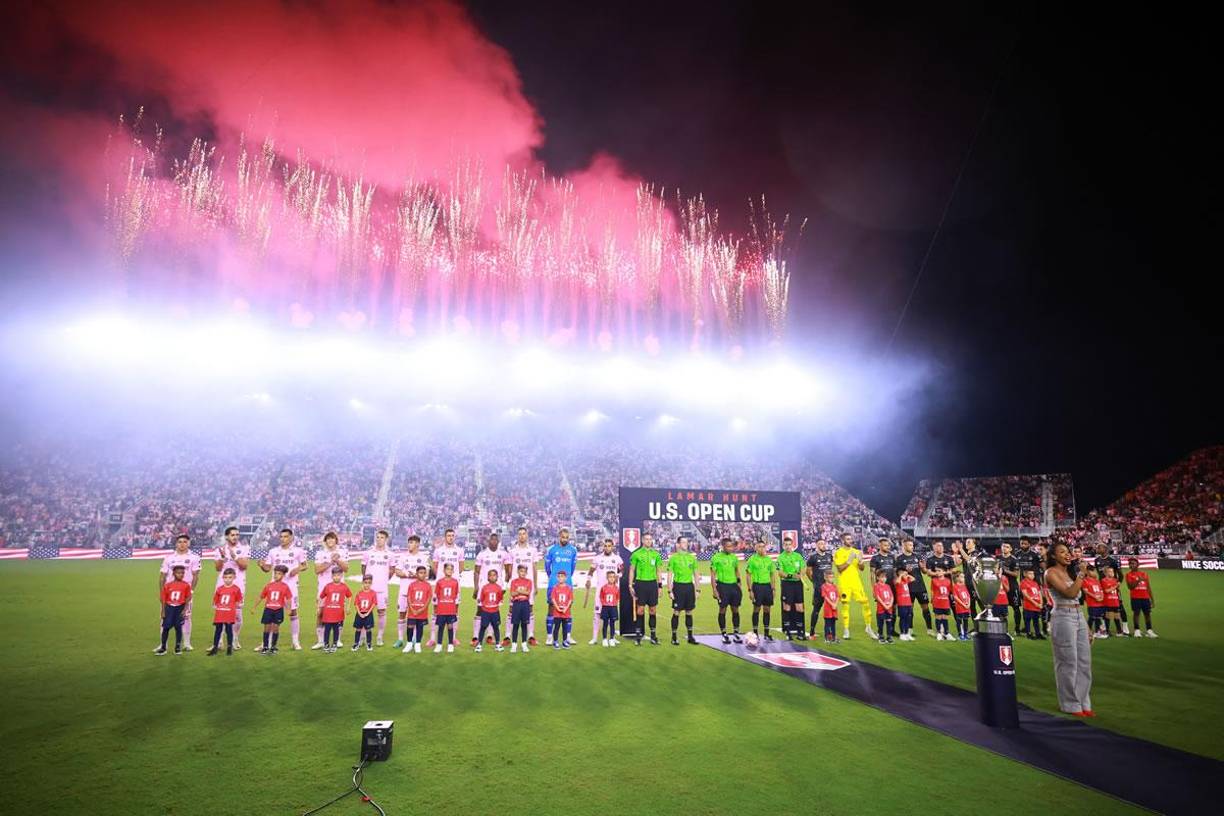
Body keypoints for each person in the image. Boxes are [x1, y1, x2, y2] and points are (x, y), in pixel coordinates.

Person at [1045, 542, 1094, 717]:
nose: (1067, 555)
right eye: (1062, 552)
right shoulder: (1050, 573)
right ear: (1053, 556)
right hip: (1063, 616)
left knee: (1084, 662)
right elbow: (1070, 593)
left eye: (1068, 552)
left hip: (1078, 615)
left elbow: (1077, 601)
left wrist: (1086, 627)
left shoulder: (1070, 573)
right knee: (1068, 662)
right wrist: (1081, 573)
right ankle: (1070, 704)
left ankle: (1083, 701)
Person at [260, 528, 308, 650]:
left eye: (286, 537)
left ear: (291, 538)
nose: (283, 539)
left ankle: (295, 641)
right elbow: (267, 569)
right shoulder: (273, 551)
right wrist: (262, 566)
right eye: (281, 537)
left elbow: (305, 565)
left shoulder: (298, 551)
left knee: (292, 612)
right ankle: (266, 642)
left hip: (291, 586)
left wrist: (296, 570)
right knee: (271, 613)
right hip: (275, 587)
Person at [157, 534, 201, 652]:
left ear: (189, 543)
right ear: (176, 543)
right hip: (170, 593)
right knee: (164, 617)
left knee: (186, 616)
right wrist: (162, 592)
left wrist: (191, 590)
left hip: (185, 593)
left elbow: (196, 575)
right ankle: (163, 644)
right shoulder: (169, 558)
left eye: (185, 542)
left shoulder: (194, 557)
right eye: (180, 542)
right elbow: (162, 576)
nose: (182, 544)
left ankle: (186, 643)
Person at [213, 526, 249, 649]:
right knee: (221, 612)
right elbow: (218, 568)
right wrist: (222, 558)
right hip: (222, 586)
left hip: (238, 585)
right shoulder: (220, 549)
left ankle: (234, 638)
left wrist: (234, 557)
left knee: (238, 613)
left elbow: (244, 566)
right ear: (227, 536)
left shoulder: (244, 549)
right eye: (232, 535)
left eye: (237, 535)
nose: (235, 537)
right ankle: (220, 641)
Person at [833, 533, 875, 640]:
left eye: (851, 538)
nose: (850, 540)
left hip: (856, 582)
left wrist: (860, 561)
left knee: (865, 602)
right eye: (848, 539)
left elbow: (861, 568)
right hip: (844, 583)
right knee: (845, 605)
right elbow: (840, 569)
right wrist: (848, 561)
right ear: (843, 540)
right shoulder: (838, 552)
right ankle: (846, 630)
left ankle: (868, 627)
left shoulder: (857, 551)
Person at [312, 531, 349, 650]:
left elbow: (346, 568)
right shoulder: (320, 553)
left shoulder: (342, 552)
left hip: (339, 588)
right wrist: (330, 562)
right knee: (320, 613)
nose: (330, 541)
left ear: (336, 540)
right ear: (325, 541)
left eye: (332, 539)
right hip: (323, 587)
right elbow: (317, 570)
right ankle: (320, 641)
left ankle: (337, 640)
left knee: (339, 612)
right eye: (328, 539)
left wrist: (337, 560)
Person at [472, 533, 512, 645]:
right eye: (491, 539)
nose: (493, 541)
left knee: (494, 610)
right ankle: (475, 637)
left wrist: (504, 585)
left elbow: (509, 571)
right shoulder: (482, 554)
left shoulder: (503, 554)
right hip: (483, 587)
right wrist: (476, 587)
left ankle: (490, 636)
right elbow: (476, 571)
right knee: (480, 610)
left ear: (498, 541)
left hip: (497, 588)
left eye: (496, 540)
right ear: (488, 541)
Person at [359, 530, 395, 647]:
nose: (379, 539)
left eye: (382, 537)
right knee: (364, 612)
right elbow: (363, 568)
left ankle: (379, 637)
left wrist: (383, 579)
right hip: (368, 589)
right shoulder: (368, 553)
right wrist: (367, 583)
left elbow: (392, 570)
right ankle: (363, 637)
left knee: (381, 612)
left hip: (382, 589)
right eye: (378, 537)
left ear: (386, 539)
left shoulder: (390, 554)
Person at [393, 535, 430, 649]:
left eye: (412, 543)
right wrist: (406, 574)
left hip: (418, 592)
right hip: (404, 590)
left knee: (416, 614)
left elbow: (427, 574)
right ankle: (400, 639)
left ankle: (414, 639)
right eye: (409, 543)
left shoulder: (423, 558)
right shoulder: (403, 557)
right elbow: (397, 571)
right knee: (402, 613)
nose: (409, 545)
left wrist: (416, 575)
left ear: (418, 544)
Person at [628, 532, 664, 645]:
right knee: (640, 610)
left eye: (650, 539)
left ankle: (653, 636)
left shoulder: (656, 554)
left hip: (652, 584)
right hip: (640, 584)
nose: (649, 541)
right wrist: (630, 585)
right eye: (646, 539)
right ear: (642, 541)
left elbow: (659, 571)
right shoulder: (636, 554)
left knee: (653, 610)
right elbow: (632, 570)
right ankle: (638, 637)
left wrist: (660, 586)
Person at [544, 528, 577, 645]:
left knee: (567, 609)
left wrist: (566, 579)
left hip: (567, 584)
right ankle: (549, 636)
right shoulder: (552, 550)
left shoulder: (573, 550)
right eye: (563, 537)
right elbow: (547, 567)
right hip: (553, 584)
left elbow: (572, 568)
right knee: (551, 609)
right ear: (559, 537)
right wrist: (553, 577)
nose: (565, 539)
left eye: (567, 537)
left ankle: (567, 636)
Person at [587, 538, 624, 645]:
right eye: (605, 545)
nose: (607, 547)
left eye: (609, 546)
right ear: (603, 546)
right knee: (597, 614)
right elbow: (591, 570)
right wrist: (588, 579)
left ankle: (612, 637)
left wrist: (618, 576)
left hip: (613, 592)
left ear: (612, 547)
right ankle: (594, 638)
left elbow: (622, 569)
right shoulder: (598, 558)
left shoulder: (617, 558)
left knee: (612, 615)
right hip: (600, 591)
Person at [509, 527, 541, 645]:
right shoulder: (512, 551)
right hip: (515, 585)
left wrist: (536, 585)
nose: (522, 536)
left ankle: (530, 636)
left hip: (529, 585)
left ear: (527, 535)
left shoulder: (532, 550)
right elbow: (510, 568)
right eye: (520, 534)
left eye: (524, 534)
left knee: (530, 609)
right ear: (517, 536)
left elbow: (534, 568)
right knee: (511, 609)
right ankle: (508, 636)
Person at [894, 539, 932, 636]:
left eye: (912, 545)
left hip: (920, 586)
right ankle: (910, 629)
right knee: (909, 609)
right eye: (910, 545)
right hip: (908, 588)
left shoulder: (917, 556)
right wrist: (905, 571)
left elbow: (924, 572)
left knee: (926, 608)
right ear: (904, 546)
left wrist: (923, 567)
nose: (912, 547)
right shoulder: (899, 559)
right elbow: (897, 573)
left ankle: (930, 629)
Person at [665, 536, 699, 645]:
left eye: (687, 542)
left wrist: (697, 589)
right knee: (676, 612)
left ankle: (690, 637)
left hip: (689, 587)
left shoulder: (692, 558)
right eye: (683, 542)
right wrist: (670, 591)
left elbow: (696, 574)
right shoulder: (674, 558)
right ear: (678, 544)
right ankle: (674, 637)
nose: (686, 544)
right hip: (678, 587)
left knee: (689, 611)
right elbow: (670, 575)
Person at [710, 537, 744, 644]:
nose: (731, 548)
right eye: (728, 546)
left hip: (734, 587)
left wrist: (739, 584)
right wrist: (714, 590)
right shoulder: (716, 558)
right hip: (722, 586)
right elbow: (712, 575)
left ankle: (736, 633)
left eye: (732, 546)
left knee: (735, 610)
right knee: (722, 610)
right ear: (723, 546)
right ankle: (724, 634)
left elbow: (737, 571)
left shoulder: (734, 557)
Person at [253, 564, 292, 655]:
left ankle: (273, 647)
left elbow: (289, 598)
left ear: (283, 575)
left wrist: (288, 609)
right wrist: (254, 607)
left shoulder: (285, 586)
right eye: (275, 573)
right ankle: (265, 647)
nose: (276, 575)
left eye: (279, 573)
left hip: (278, 610)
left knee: (275, 629)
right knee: (266, 628)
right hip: (268, 609)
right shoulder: (269, 585)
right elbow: (261, 596)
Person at [155, 564, 192, 655]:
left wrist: (184, 609)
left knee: (178, 628)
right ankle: (163, 647)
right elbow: (163, 599)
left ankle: (177, 647)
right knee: (166, 628)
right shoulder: (168, 585)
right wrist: (163, 610)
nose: (181, 575)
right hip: (169, 608)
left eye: (182, 573)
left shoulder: (186, 585)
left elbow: (188, 598)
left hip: (179, 608)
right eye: (178, 573)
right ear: (174, 573)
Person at [745, 540, 778, 641]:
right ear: (756, 548)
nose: (762, 548)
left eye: (763, 546)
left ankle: (766, 634)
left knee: (767, 609)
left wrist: (773, 588)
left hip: (767, 587)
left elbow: (772, 574)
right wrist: (750, 590)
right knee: (757, 609)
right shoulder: (752, 560)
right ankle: (755, 633)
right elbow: (748, 575)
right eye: (759, 546)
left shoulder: (769, 560)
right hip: (757, 587)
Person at [1095, 543, 1130, 634]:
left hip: (1113, 588)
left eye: (1099, 547)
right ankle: (1105, 628)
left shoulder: (1113, 560)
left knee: (1119, 606)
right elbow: (1099, 575)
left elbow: (1120, 574)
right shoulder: (1097, 560)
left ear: (1105, 549)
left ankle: (1125, 627)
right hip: (1102, 587)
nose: (1097, 548)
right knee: (1103, 607)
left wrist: (1118, 583)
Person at [776, 535, 806, 641]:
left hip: (798, 584)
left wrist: (800, 574)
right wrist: (792, 576)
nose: (788, 546)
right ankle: (788, 632)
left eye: (790, 544)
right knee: (787, 607)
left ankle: (800, 631)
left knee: (800, 607)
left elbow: (803, 568)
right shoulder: (781, 557)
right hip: (787, 584)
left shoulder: (797, 556)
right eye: (786, 545)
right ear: (783, 546)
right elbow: (780, 573)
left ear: (792, 545)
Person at [208, 567, 242, 656]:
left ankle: (229, 648)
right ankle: (215, 648)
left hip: (229, 613)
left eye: (230, 577)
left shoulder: (236, 589)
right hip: (220, 613)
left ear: (234, 577)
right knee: (218, 630)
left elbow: (239, 601)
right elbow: (215, 600)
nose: (227, 580)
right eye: (226, 577)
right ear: (223, 578)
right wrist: (216, 606)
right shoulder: (219, 589)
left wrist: (234, 607)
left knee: (229, 630)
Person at [804, 538, 834, 638]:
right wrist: (814, 582)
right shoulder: (813, 557)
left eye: (824, 544)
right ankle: (812, 632)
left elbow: (830, 570)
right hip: (819, 588)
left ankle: (829, 632)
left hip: (829, 588)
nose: (823, 545)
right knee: (816, 609)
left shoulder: (829, 556)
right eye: (820, 544)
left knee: (830, 609)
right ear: (817, 546)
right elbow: (808, 572)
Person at [318, 566, 352, 653]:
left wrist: (348, 607)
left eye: (338, 575)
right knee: (327, 630)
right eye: (334, 575)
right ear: (332, 576)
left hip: (338, 613)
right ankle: (326, 645)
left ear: (341, 576)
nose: (336, 577)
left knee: (336, 630)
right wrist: (318, 608)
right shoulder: (328, 586)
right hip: (328, 613)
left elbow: (350, 596)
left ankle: (334, 644)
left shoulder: (344, 587)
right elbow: (321, 597)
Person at [869, 538, 897, 638]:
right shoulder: (875, 558)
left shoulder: (892, 557)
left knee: (893, 608)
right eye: (885, 545)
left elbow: (894, 572)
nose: (887, 547)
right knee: (881, 608)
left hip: (891, 587)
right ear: (880, 546)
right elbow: (872, 574)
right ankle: (880, 630)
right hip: (880, 588)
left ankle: (891, 630)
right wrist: (873, 588)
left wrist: (896, 583)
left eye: (888, 545)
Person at [402, 566, 432, 654]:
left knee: (420, 627)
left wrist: (421, 609)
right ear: (417, 573)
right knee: (410, 626)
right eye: (420, 573)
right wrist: (412, 609)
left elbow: (428, 599)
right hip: (412, 612)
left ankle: (418, 644)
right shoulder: (412, 585)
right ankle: (409, 644)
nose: (422, 575)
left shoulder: (428, 585)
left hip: (422, 612)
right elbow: (409, 597)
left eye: (424, 573)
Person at [432, 563, 460, 653]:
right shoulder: (439, 582)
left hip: (451, 609)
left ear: (453, 571)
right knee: (441, 627)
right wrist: (438, 606)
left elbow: (455, 595)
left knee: (450, 626)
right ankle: (439, 644)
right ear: (444, 571)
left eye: (451, 569)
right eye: (447, 569)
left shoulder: (455, 582)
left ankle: (450, 644)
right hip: (441, 609)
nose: (449, 571)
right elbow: (437, 595)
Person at [1125, 558, 1157, 637]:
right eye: (1130, 564)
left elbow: (1148, 587)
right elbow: (1130, 587)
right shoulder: (1128, 575)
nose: (1131, 565)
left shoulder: (1144, 574)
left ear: (1137, 565)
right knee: (1136, 613)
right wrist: (1138, 580)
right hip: (1135, 597)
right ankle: (1137, 630)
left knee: (1147, 614)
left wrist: (1152, 600)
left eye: (1133, 563)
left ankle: (1149, 630)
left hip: (1145, 597)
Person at [476, 569, 505, 653]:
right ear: (488, 577)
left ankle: (497, 644)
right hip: (486, 611)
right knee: (483, 627)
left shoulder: (499, 588)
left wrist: (495, 605)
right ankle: (479, 644)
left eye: (494, 575)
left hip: (495, 611)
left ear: (497, 577)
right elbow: (481, 599)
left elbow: (500, 598)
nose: (492, 577)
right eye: (490, 575)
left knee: (496, 628)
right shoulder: (484, 587)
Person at [509, 564, 534, 653]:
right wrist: (521, 592)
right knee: (515, 625)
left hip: (525, 604)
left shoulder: (529, 581)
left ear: (526, 572)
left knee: (524, 625)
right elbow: (512, 594)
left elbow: (528, 593)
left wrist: (518, 591)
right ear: (518, 572)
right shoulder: (514, 581)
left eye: (524, 571)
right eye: (521, 571)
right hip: (516, 604)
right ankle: (514, 644)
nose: (523, 573)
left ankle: (524, 644)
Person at [999, 541, 1022, 634]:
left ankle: (1017, 629)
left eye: (1007, 547)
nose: (1005, 548)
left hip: (1012, 586)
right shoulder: (998, 558)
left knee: (1016, 607)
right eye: (1003, 546)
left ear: (1011, 549)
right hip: (1001, 587)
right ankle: (1003, 630)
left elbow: (1016, 574)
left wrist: (1004, 570)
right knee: (1001, 608)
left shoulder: (1014, 559)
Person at [352, 574, 377, 652]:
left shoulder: (373, 593)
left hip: (368, 614)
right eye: (365, 582)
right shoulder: (359, 593)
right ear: (362, 583)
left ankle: (369, 643)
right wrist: (359, 613)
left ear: (371, 583)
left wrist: (368, 613)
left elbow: (374, 604)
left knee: (368, 629)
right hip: (359, 614)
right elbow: (356, 604)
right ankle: (356, 643)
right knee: (358, 629)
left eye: (369, 583)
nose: (367, 584)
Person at [549, 571, 574, 649]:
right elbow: (553, 599)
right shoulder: (555, 588)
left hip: (565, 612)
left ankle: (564, 641)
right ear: (557, 578)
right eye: (559, 576)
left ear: (565, 578)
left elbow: (570, 600)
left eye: (562, 576)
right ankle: (555, 641)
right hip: (557, 612)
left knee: (565, 628)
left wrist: (566, 608)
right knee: (556, 627)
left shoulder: (568, 588)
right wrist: (557, 608)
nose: (560, 578)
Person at [1019, 569, 1045, 639]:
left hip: (1037, 605)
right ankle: (1028, 633)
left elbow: (1039, 593)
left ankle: (1038, 633)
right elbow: (1026, 595)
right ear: (1026, 574)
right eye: (1030, 574)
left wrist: (1041, 603)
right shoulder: (1023, 582)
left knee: (1036, 620)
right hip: (1029, 605)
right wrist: (1035, 603)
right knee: (1028, 620)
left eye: (1033, 574)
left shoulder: (1035, 583)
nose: (1032, 575)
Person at [1082, 566, 1107, 638]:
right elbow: (1086, 591)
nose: (1095, 573)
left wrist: (1101, 597)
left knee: (1098, 617)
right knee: (1092, 617)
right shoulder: (1085, 580)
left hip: (1099, 602)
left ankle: (1097, 632)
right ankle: (1087, 632)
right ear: (1088, 572)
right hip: (1092, 602)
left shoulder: (1096, 580)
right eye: (1093, 571)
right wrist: (1095, 597)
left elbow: (1101, 590)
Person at [598, 572, 620, 647]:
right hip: (605, 607)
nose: (611, 578)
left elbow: (617, 597)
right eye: (610, 577)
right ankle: (604, 639)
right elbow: (601, 596)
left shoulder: (616, 588)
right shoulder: (604, 587)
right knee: (605, 623)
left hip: (613, 607)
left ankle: (611, 638)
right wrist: (604, 603)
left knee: (612, 624)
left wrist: (615, 603)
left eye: (613, 577)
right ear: (607, 578)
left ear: (615, 578)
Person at [872, 570, 894, 644]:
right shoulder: (876, 586)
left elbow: (891, 596)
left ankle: (889, 636)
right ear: (878, 578)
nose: (884, 579)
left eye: (885, 577)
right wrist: (884, 605)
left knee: (889, 622)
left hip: (889, 608)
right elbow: (878, 597)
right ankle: (881, 636)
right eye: (882, 577)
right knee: (880, 623)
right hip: (881, 609)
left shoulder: (888, 586)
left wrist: (890, 604)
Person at [1100, 566, 1123, 637]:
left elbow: (1117, 591)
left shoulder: (1115, 580)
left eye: (1112, 571)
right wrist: (1116, 586)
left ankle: (1119, 632)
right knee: (1108, 616)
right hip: (1108, 601)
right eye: (1110, 571)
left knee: (1117, 616)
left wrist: (1120, 599)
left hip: (1115, 600)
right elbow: (1106, 591)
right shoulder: (1103, 580)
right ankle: (1107, 631)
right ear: (1105, 573)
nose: (1112, 573)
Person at [930, 567, 952, 640]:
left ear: (944, 572)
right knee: (938, 617)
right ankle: (939, 633)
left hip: (945, 601)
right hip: (937, 601)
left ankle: (946, 633)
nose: (937, 572)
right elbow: (932, 591)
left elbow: (949, 591)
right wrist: (932, 599)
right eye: (936, 571)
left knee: (945, 617)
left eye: (939, 571)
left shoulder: (948, 581)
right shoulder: (934, 580)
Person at [893, 567, 914, 640]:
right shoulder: (897, 580)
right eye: (902, 571)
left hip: (908, 602)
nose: (904, 573)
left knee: (908, 618)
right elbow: (897, 582)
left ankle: (907, 633)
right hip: (902, 603)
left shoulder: (905, 581)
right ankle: (902, 633)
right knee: (903, 618)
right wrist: (901, 575)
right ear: (898, 573)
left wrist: (907, 575)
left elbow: (913, 579)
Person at [819, 572, 840, 643]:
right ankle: (827, 637)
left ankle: (833, 637)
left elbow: (837, 596)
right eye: (830, 577)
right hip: (828, 608)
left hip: (834, 608)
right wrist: (832, 604)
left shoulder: (835, 586)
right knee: (827, 623)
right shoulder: (823, 586)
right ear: (825, 578)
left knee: (833, 623)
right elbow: (825, 597)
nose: (832, 579)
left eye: (832, 577)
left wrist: (835, 604)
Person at [951, 573, 972, 641]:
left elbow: (968, 596)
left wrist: (968, 604)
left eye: (964, 577)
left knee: (966, 620)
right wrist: (963, 604)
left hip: (966, 608)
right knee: (959, 621)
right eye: (962, 577)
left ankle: (966, 634)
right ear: (957, 578)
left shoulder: (964, 586)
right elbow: (955, 597)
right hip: (960, 608)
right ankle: (960, 634)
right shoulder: (955, 587)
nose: (964, 578)